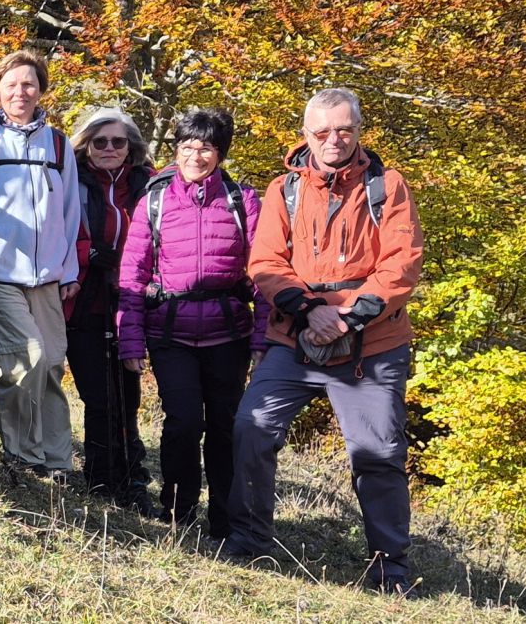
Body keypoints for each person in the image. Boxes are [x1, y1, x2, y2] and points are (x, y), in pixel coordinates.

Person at [228, 88, 424, 593]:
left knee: (377, 453)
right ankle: (249, 543)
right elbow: (266, 262)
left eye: (344, 130)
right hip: (294, 337)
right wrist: (311, 310)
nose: (333, 140)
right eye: (322, 132)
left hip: (373, 344)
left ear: (359, 131)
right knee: (253, 428)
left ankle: (389, 570)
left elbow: (401, 263)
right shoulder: (284, 189)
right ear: (305, 135)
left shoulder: (388, 186)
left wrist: (351, 317)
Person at [115, 106, 264, 538]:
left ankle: (223, 520)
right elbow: (133, 274)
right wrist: (131, 341)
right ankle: (178, 512)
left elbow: (262, 273)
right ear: (175, 149)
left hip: (228, 334)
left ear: (220, 153)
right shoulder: (155, 201)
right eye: (187, 146)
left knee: (224, 425)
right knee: (182, 423)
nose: (195, 156)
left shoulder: (243, 201)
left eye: (206, 148)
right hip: (170, 333)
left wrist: (261, 338)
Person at [0, 50, 81, 481]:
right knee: (28, 357)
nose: (21, 91)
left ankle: (57, 461)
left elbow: (71, 211)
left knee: (53, 362)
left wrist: (68, 270)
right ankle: (22, 453)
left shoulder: (58, 143)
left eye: (29, 84)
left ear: (41, 90)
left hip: (48, 277)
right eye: (12, 84)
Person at [69, 105, 155, 505]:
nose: (108, 148)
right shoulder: (72, 180)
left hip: (133, 302)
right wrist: (91, 253)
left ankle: (132, 477)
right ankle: (100, 476)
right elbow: (57, 228)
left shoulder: (148, 185)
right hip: (85, 296)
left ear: (130, 147)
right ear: (85, 145)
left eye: (117, 141)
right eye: (99, 141)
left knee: (128, 393)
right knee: (98, 393)